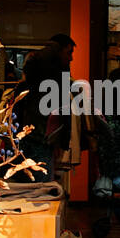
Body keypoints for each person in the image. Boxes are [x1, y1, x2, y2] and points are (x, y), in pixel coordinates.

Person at [19, 33, 76, 179]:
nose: (71, 58)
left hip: (29, 131)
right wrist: (62, 140)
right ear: (60, 49)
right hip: (45, 133)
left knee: (32, 179)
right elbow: (62, 107)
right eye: (69, 52)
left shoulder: (35, 62)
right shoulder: (58, 69)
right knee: (43, 181)